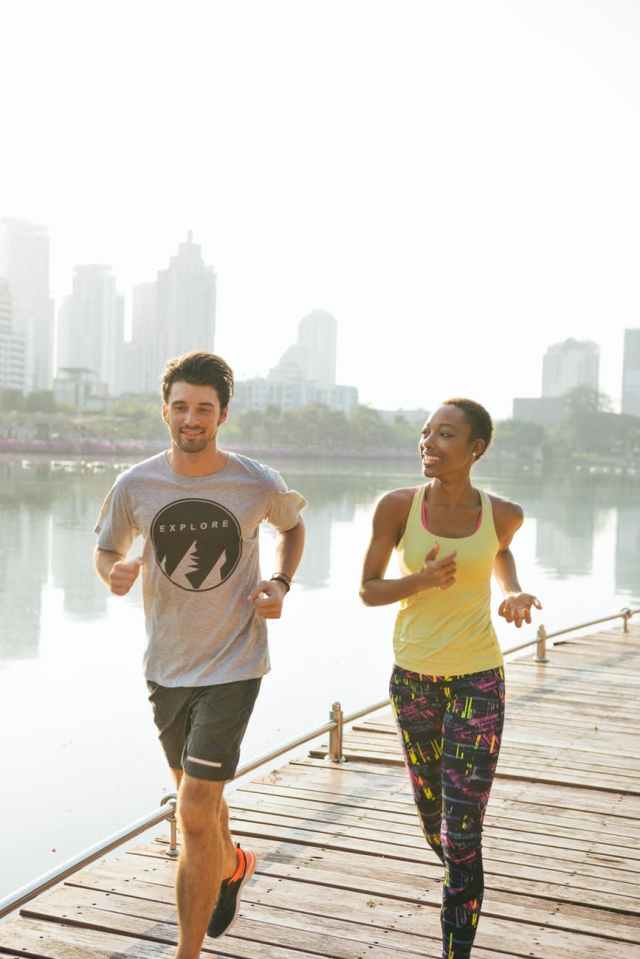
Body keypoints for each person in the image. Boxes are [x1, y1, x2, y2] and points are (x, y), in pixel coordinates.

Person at [94, 351, 305, 959]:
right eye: (181, 406)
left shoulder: (254, 480)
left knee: (191, 810)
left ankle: (186, 953)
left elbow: (291, 526)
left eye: (204, 408)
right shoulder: (135, 484)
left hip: (235, 663)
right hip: (166, 666)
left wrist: (281, 583)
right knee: (200, 797)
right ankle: (233, 864)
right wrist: (114, 573)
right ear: (165, 410)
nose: (192, 418)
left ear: (223, 414)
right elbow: (106, 550)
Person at [360, 398, 541, 959]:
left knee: (462, 833)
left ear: (475, 449)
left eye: (445, 435)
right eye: (426, 432)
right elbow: (368, 589)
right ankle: (466, 882)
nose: (429, 443)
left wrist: (510, 591)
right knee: (435, 823)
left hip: (478, 681)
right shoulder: (396, 507)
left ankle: (455, 948)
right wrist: (420, 580)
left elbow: (500, 551)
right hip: (413, 680)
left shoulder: (504, 512)